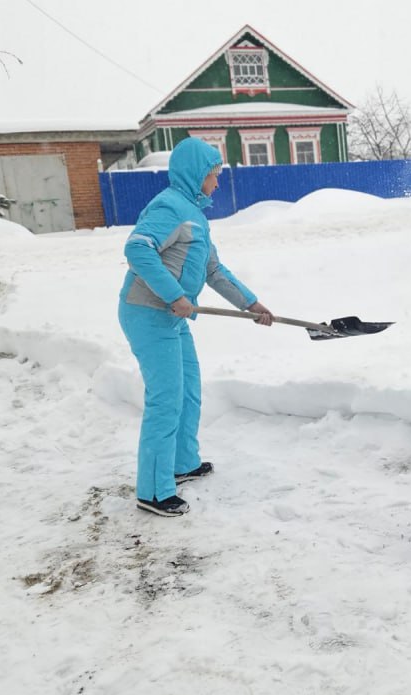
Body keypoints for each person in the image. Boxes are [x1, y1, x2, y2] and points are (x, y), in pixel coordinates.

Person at [118, 137, 274, 517]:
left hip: (172, 316)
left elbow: (214, 270)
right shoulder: (169, 206)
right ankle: (153, 491)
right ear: (196, 174)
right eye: (213, 175)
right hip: (149, 314)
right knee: (166, 399)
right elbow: (137, 248)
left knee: (188, 391)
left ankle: (181, 462)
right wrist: (174, 294)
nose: (217, 182)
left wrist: (251, 304)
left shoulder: (194, 213)